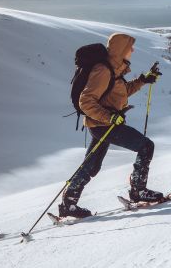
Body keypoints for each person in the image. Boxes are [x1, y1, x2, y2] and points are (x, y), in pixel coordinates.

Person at [60, 32, 162, 218]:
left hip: (101, 124)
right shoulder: (104, 70)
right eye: (130, 47)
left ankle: (69, 203)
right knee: (146, 146)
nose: (132, 50)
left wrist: (143, 80)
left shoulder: (114, 69)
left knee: (92, 165)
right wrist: (110, 117)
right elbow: (86, 101)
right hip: (104, 125)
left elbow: (119, 93)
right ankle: (138, 191)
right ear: (120, 49)